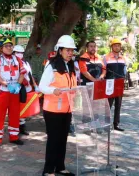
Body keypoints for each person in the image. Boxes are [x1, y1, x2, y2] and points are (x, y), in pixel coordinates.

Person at [39, 35, 77, 176]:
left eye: (72, 50)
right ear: (60, 50)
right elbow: (42, 86)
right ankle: (48, 170)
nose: (70, 53)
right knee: (53, 140)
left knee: (62, 139)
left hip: (67, 109)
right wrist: (53, 90)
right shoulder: (52, 65)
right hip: (53, 110)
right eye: (67, 50)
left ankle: (60, 167)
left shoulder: (71, 65)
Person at [0, 38, 26, 149]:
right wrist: (6, 84)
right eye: (7, 46)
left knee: (15, 114)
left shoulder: (17, 59)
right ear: (1, 48)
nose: (9, 48)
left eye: (11, 46)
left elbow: (22, 73)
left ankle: (14, 137)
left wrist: (18, 85)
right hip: (3, 91)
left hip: (15, 91)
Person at [13, 45, 40, 135]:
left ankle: (22, 128)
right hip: (17, 89)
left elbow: (30, 75)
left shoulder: (26, 63)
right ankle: (14, 129)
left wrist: (35, 86)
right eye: (17, 52)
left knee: (24, 108)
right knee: (16, 109)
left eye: (21, 53)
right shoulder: (12, 63)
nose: (19, 54)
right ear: (13, 53)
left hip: (27, 88)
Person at [103, 38, 127, 131]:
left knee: (118, 105)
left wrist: (124, 78)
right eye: (115, 45)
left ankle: (116, 124)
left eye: (118, 45)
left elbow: (124, 70)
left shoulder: (123, 58)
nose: (117, 47)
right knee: (108, 105)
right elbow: (103, 70)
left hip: (119, 84)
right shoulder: (106, 57)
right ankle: (106, 124)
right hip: (110, 84)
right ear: (112, 47)